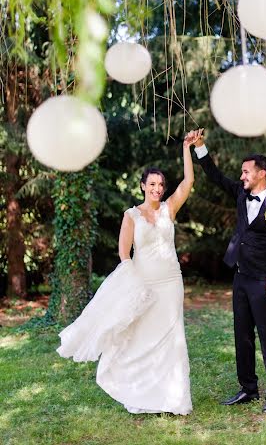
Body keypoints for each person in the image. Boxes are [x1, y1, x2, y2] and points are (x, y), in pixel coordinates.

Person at [57, 129, 203, 415]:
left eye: (161, 184)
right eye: (152, 184)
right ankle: (141, 391)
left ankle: (174, 398)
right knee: (142, 336)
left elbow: (189, 181)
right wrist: (134, 282)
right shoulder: (131, 216)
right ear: (142, 186)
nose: (157, 189)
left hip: (171, 282)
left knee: (173, 337)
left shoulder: (169, 209)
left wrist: (187, 147)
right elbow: (124, 254)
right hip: (145, 283)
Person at [190, 130, 266, 413]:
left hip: (264, 282)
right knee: (242, 335)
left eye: (246, 171)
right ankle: (248, 388)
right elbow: (215, 176)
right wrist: (200, 147)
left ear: (262, 173)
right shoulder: (240, 193)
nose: (242, 175)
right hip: (241, 277)